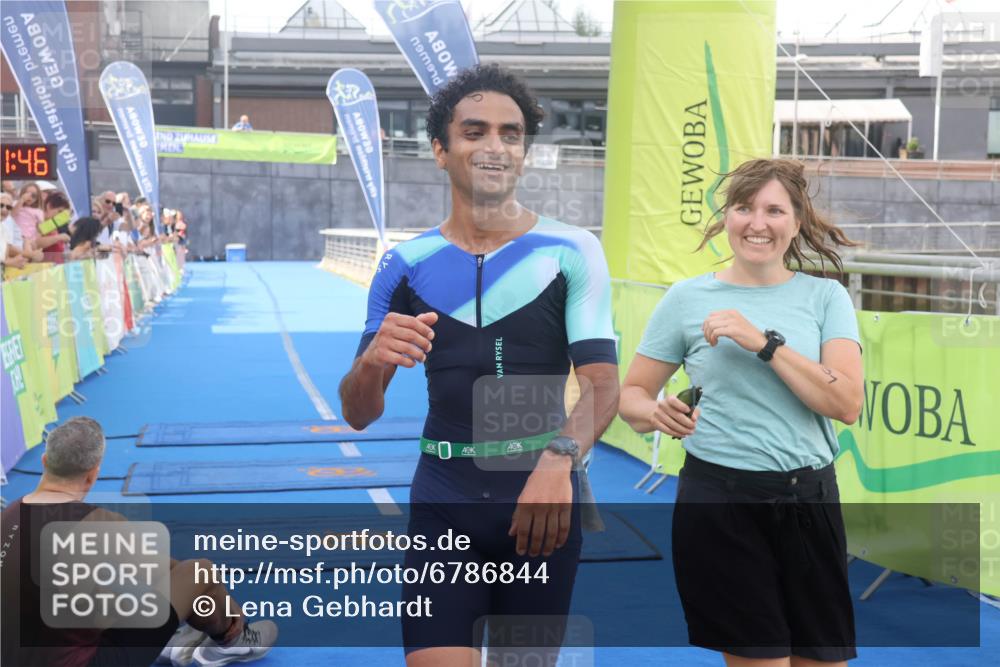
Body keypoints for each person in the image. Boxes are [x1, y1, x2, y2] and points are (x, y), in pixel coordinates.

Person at [338, 64, 620, 666]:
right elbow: (358, 413)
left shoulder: (572, 250)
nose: (494, 146)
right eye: (474, 131)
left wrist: (557, 462)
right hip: (445, 497)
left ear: (523, 153)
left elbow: (602, 386)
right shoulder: (403, 264)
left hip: (541, 502)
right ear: (440, 150)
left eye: (510, 134)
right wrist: (371, 363)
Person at [618, 158, 863, 667]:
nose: (757, 223)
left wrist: (763, 342)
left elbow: (846, 404)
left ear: (796, 222)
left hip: (810, 501)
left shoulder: (825, 297)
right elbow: (632, 395)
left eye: (774, 210)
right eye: (744, 207)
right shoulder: (686, 298)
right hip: (721, 504)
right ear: (726, 217)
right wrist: (655, 412)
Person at [0, 416, 278, 667]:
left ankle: (181, 638)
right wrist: (226, 606)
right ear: (94, 474)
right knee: (198, 571)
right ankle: (232, 642)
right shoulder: (100, 523)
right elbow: (175, 574)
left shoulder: (7, 515)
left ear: (45, 461)